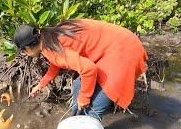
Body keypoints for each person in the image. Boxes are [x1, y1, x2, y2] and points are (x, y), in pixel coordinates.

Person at [13, 19, 148, 120]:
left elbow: (89, 69)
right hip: (116, 42)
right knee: (78, 84)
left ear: (29, 48)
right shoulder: (48, 37)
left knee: (93, 111)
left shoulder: (52, 49)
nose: (25, 54)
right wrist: (41, 85)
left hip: (124, 51)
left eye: (24, 52)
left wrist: (84, 98)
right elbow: (57, 64)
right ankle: (76, 118)